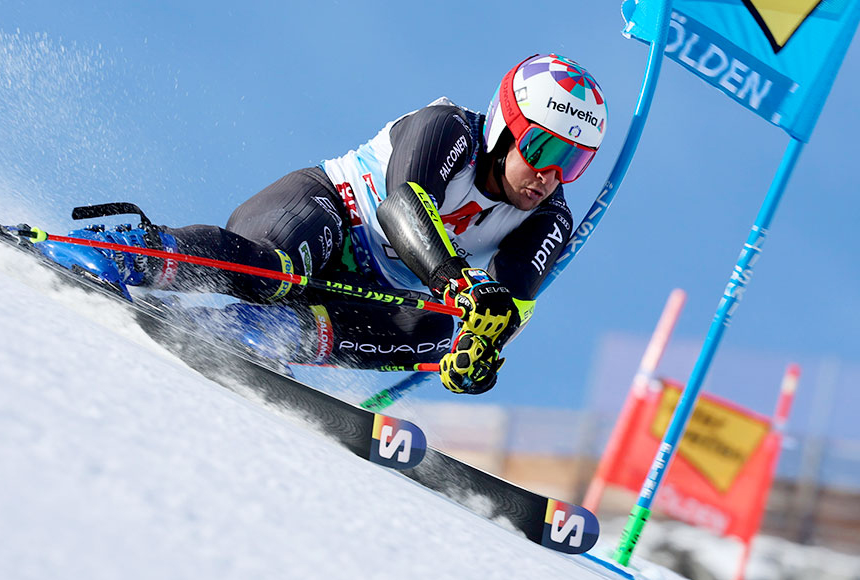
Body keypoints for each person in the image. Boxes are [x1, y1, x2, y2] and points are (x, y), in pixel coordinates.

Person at [41, 53, 608, 395]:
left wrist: (474, 356)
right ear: (505, 130)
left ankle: (255, 335)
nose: (551, 175)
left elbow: (505, 309)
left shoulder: (547, 217)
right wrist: (462, 286)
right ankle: (122, 253)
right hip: (326, 214)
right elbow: (402, 209)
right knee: (274, 272)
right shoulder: (448, 129)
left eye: (574, 162)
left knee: (436, 332)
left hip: (373, 291)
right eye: (541, 147)